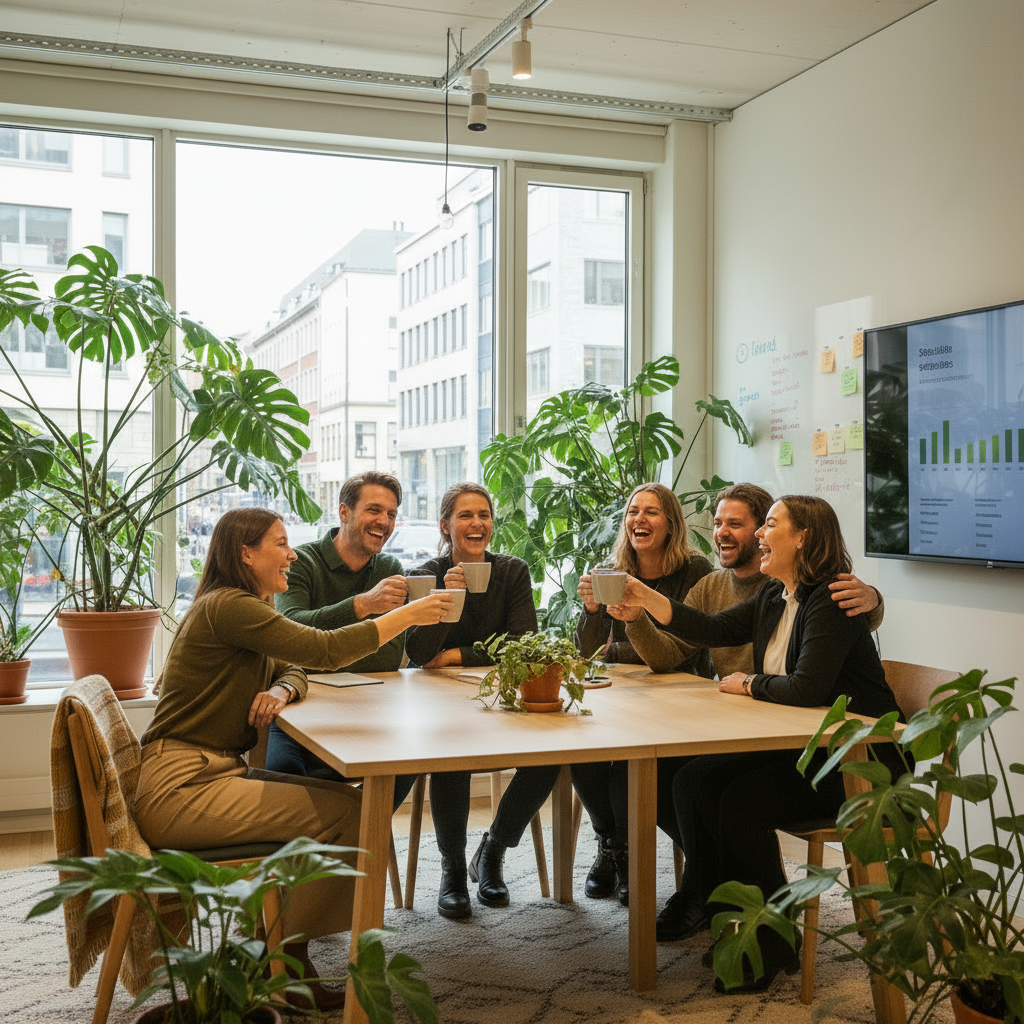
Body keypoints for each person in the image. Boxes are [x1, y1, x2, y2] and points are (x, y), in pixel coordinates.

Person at [134, 508, 452, 1005]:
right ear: (246, 553)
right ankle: (285, 962)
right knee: (353, 814)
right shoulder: (231, 607)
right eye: (281, 544)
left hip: (201, 773)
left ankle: (276, 951)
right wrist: (408, 615)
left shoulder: (238, 607)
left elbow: (295, 663)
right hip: (183, 788)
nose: (293, 553)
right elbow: (322, 650)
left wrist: (282, 687)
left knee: (351, 808)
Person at [614, 494, 903, 992]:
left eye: (769, 524)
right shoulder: (774, 595)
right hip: (805, 751)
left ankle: (770, 941)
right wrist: (644, 598)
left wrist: (748, 683)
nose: (760, 535)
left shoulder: (831, 599)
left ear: (803, 537)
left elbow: (809, 687)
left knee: (739, 804)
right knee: (693, 781)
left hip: (857, 764)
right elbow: (710, 627)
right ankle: (731, 921)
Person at [404, 482, 559, 920]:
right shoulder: (426, 574)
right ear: (445, 525)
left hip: (503, 692)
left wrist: (457, 654)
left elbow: (522, 641)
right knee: (452, 755)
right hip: (440, 703)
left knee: (550, 754)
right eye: (466, 516)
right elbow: (418, 654)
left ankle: (492, 850)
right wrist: (447, 600)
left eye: (484, 515)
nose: (477, 523)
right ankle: (453, 868)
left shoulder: (512, 572)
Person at [571, 483, 715, 905]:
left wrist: (618, 649)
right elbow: (588, 652)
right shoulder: (610, 570)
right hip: (623, 696)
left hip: (682, 695)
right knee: (581, 752)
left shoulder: (695, 572)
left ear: (671, 523)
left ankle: (632, 860)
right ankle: (612, 846)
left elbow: (678, 647)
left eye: (651, 512)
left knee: (623, 766)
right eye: (634, 511)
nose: (639, 519)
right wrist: (592, 610)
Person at [266, 471, 416, 810]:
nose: (384, 521)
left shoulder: (389, 566)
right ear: (344, 512)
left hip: (371, 709)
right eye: (374, 510)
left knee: (411, 760)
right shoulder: (301, 562)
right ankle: (340, 844)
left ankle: (351, 843)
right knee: (283, 775)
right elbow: (290, 633)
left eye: (391, 514)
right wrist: (362, 606)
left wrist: (322, 649)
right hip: (301, 706)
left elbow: (388, 656)